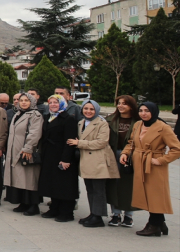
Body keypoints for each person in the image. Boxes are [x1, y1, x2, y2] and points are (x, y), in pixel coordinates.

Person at [120, 102, 180, 237]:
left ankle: (153, 225)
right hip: (139, 163)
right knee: (147, 195)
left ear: (154, 111)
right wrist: (125, 153)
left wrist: (160, 160)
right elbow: (132, 142)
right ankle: (160, 223)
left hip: (154, 165)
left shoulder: (163, 128)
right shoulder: (137, 125)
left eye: (147, 110)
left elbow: (177, 149)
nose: (143, 113)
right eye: (141, 110)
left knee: (155, 196)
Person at [67, 100, 119, 228]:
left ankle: (98, 216)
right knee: (90, 189)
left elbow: (101, 142)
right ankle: (93, 213)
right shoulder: (81, 122)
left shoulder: (102, 123)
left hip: (98, 160)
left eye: (91, 109)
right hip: (87, 160)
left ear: (96, 110)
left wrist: (79, 144)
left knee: (98, 190)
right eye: (86, 109)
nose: (88, 111)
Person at [38, 95, 79, 222]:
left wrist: (66, 159)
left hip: (62, 155)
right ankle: (54, 208)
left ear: (62, 104)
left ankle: (67, 212)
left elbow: (69, 141)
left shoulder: (68, 119)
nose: (53, 105)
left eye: (56, 103)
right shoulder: (48, 117)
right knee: (53, 183)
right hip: (49, 155)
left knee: (64, 184)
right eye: (51, 103)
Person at [4, 93, 44, 216]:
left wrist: (28, 148)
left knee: (29, 178)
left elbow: (35, 133)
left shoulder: (35, 115)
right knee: (20, 178)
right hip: (14, 150)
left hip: (26, 151)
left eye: (27, 100)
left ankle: (33, 205)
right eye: (21, 100)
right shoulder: (18, 114)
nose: (24, 102)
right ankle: (23, 203)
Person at [105, 95, 140, 227]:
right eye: (119, 103)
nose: (120, 106)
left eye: (124, 103)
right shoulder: (110, 120)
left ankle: (129, 215)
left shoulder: (138, 121)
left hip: (131, 157)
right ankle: (115, 214)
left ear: (131, 106)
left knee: (129, 186)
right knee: (114, 185)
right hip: (113, 155)